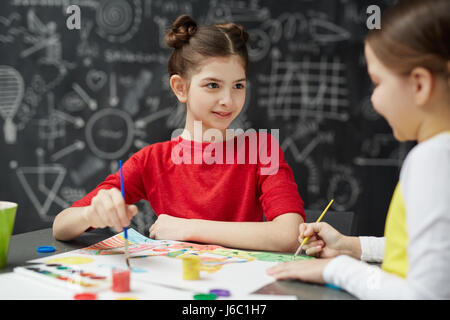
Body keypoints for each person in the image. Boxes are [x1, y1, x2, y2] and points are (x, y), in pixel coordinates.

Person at [52, 15, 305, 253]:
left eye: (238, 85)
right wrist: (91, 214)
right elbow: (61, 225)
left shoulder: (261, 150)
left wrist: (188, 227)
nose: (228, 100)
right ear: (180, 88)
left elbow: (291, 235)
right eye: (213, 85)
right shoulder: (152, 160)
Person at [267, 0, 450, 299]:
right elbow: (433, 252)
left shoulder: (433, 158)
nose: (374, 101)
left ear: (419, 85)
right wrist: (352, 247)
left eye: (377, 83)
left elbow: (423, 295)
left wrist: (335, 269)